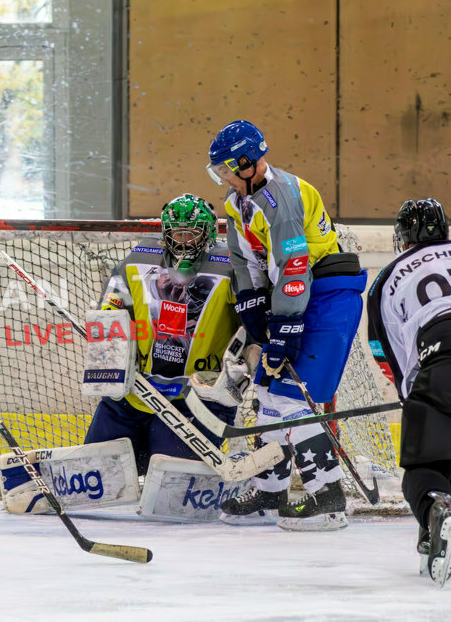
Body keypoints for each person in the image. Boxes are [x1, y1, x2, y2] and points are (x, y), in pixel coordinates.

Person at [204, 119, 368, 530]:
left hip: (327, 297)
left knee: (294, 398)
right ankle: (270, 490)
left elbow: (294, 267)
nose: (223, 178)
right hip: (295, 297)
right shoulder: (237, 202)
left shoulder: (282, 199)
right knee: (266, 394)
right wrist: (251, 305)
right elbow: (243, 260)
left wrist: (284, 328)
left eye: (226, 169)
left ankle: (328, 499)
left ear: (247, 163)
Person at [84, 193, 241, 474]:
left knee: (172, 479)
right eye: (177, 234)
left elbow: (253, 322)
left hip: (197, 399)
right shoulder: (138, 260)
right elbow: (110, 311)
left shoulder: (230, 266)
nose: (184, 242)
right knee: (98, 471)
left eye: (192, 234)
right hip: (135, 394)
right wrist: (113, 358)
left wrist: (237, 373)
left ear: (208, 234)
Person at [367, 198, 451, 585]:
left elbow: (387, 351)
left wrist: (414, 398)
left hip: (440, 360)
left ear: (402, 237)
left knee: (424, 468)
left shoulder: (388, 277)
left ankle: (437, 509)